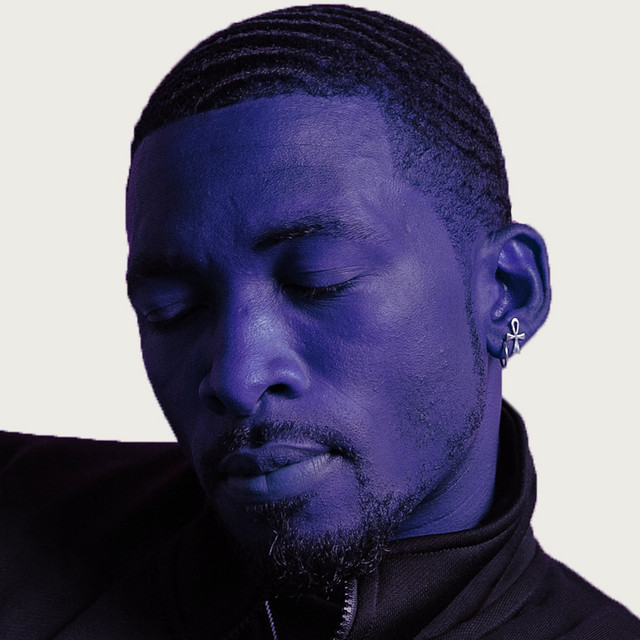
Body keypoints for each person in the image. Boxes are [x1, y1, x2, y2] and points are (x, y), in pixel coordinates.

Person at [1, 5, 638, 639]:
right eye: (172, 309)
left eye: (318, 279)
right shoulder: (23, 513)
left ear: (508, 294)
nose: (236, 378)